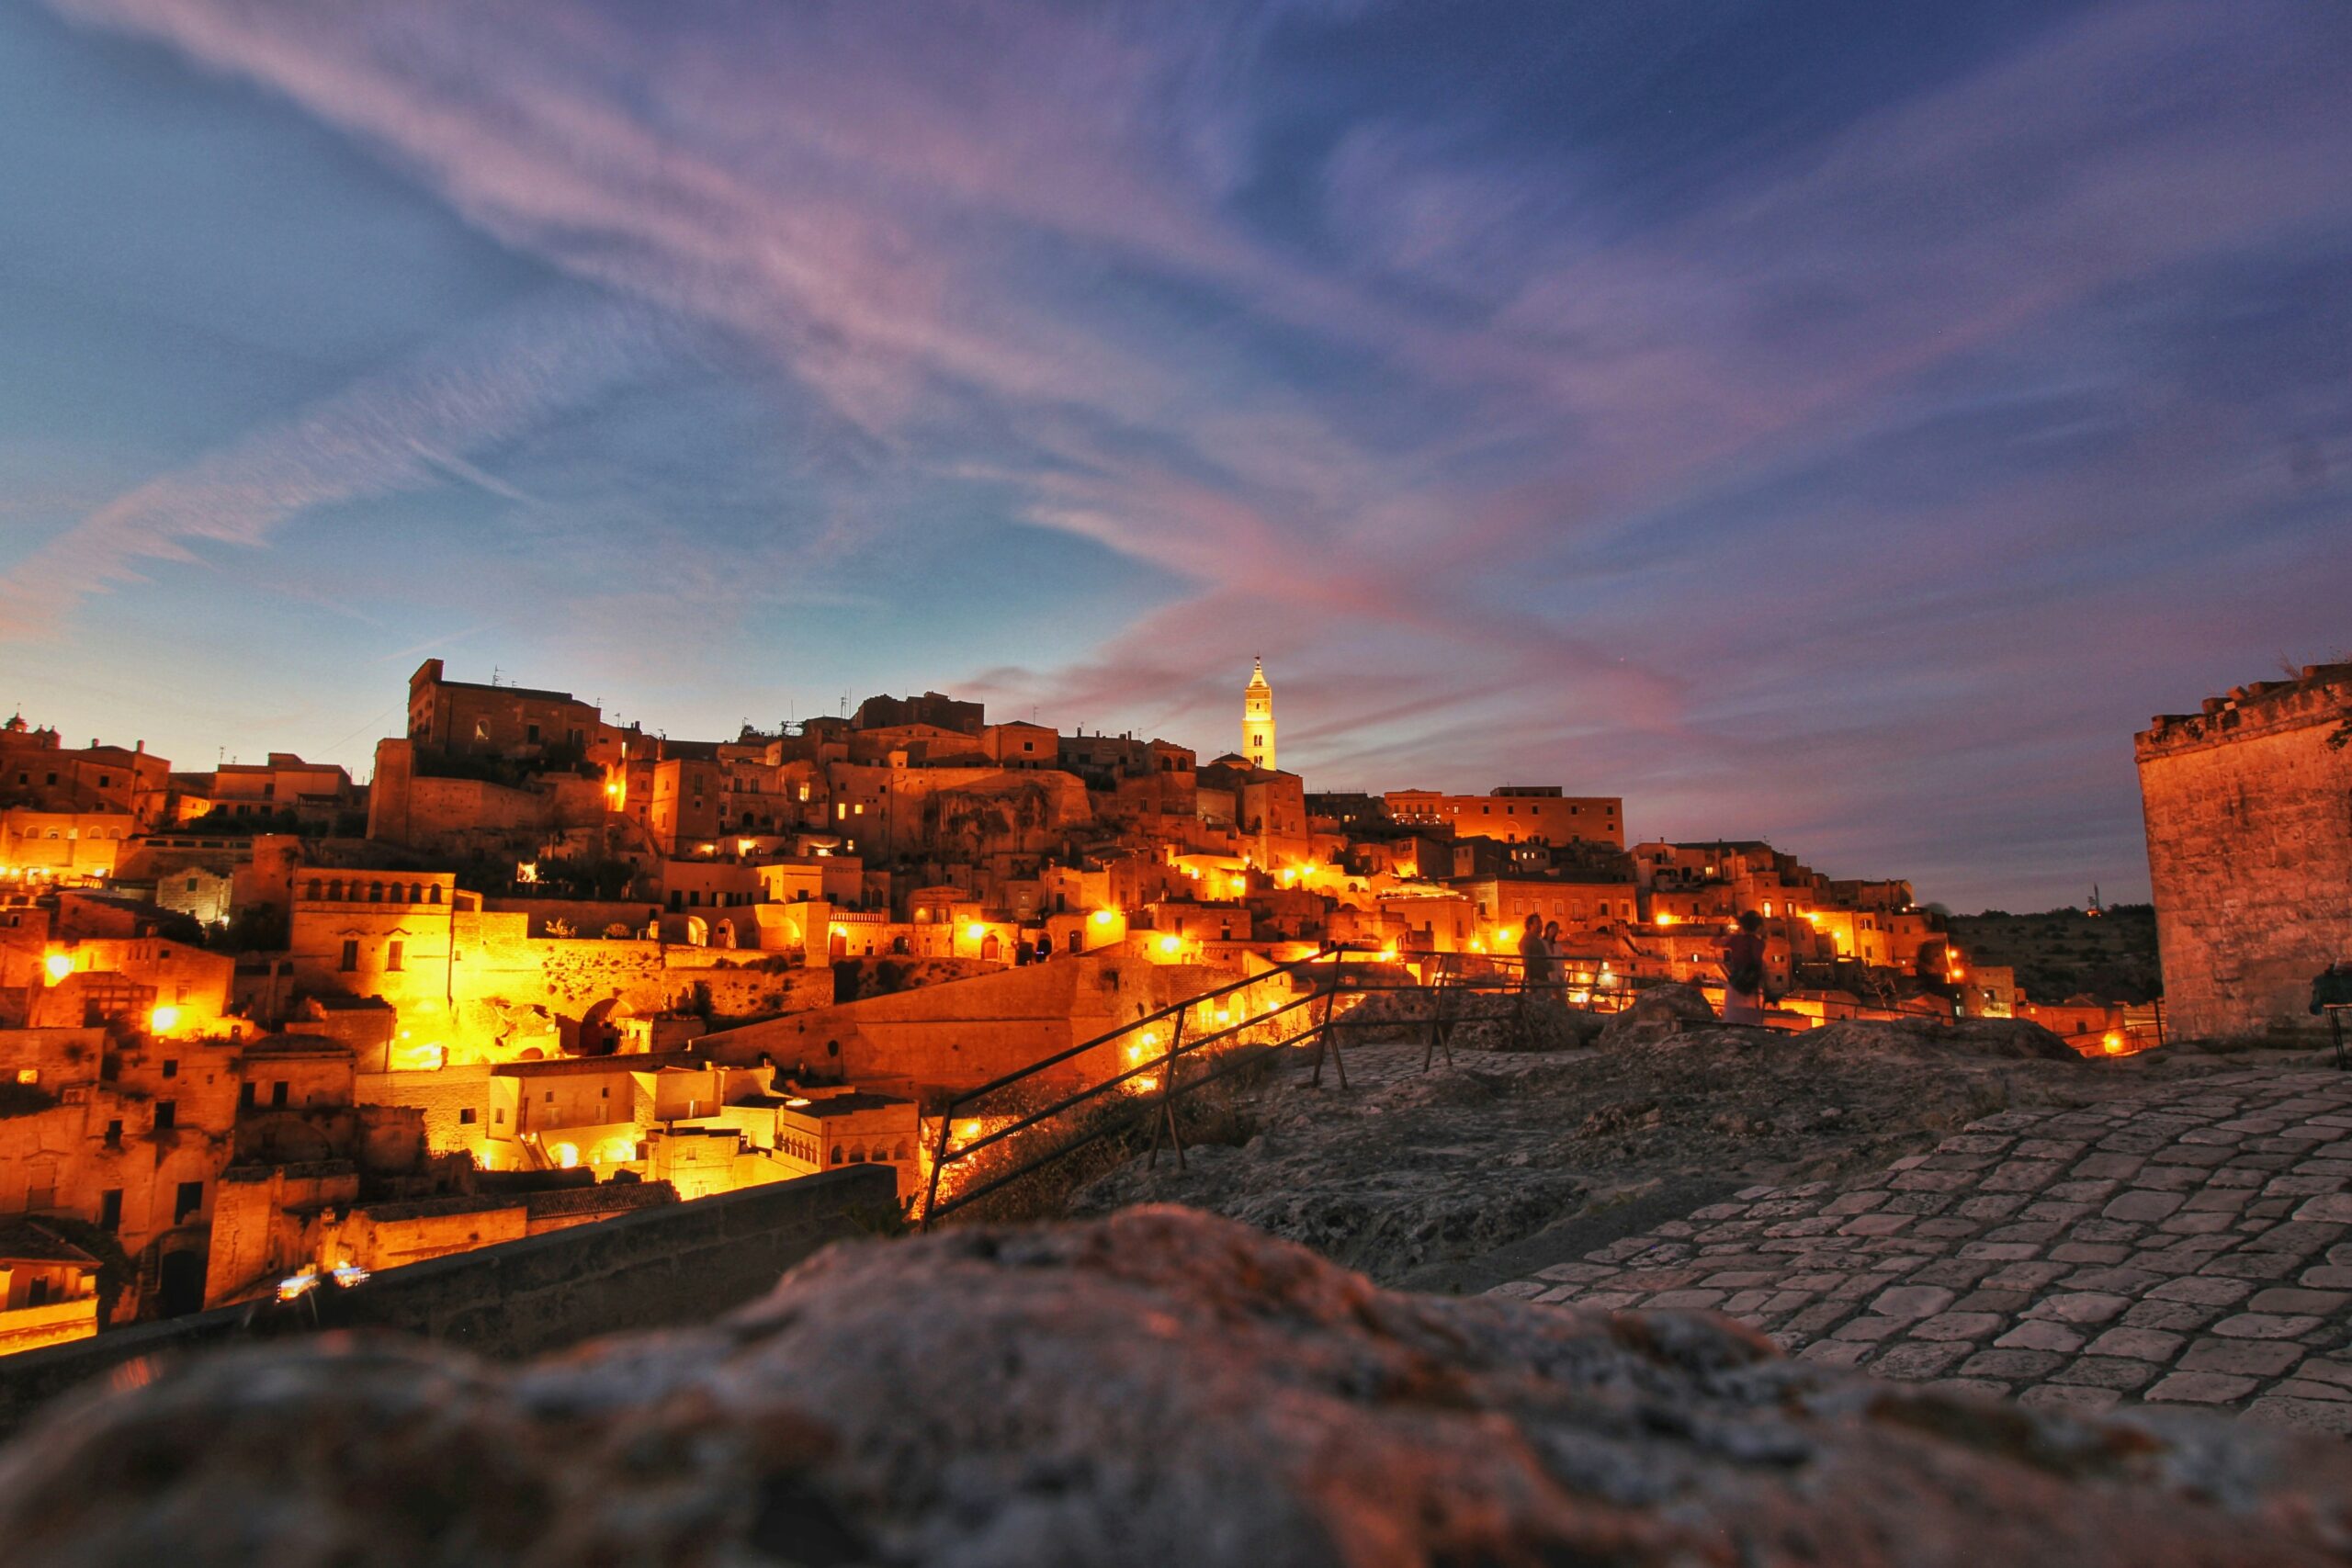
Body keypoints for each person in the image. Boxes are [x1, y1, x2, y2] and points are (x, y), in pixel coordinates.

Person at [1717, 910, 1769, 1026]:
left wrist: (1730, 934)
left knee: (1732, 1017)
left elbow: (1714, 943)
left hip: (1736, 983)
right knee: (1750, 1019)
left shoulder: (1735, 940)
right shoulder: (1759, 943)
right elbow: (1757, 962)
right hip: (1751, 985)